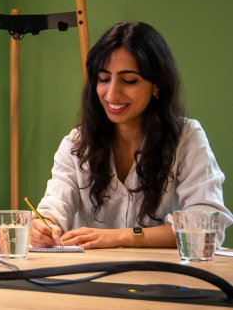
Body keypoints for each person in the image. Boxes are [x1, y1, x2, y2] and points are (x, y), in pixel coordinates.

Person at [32, 21, 232, 249]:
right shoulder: (77, 143)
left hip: (162, 272)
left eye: (129, 80)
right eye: (103, 79)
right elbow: (54, 206)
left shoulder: (186, 138)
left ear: (156, 85)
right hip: (92, 272)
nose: (112, 93)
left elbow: (207, 228)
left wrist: (122, 237)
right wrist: (45, 226)